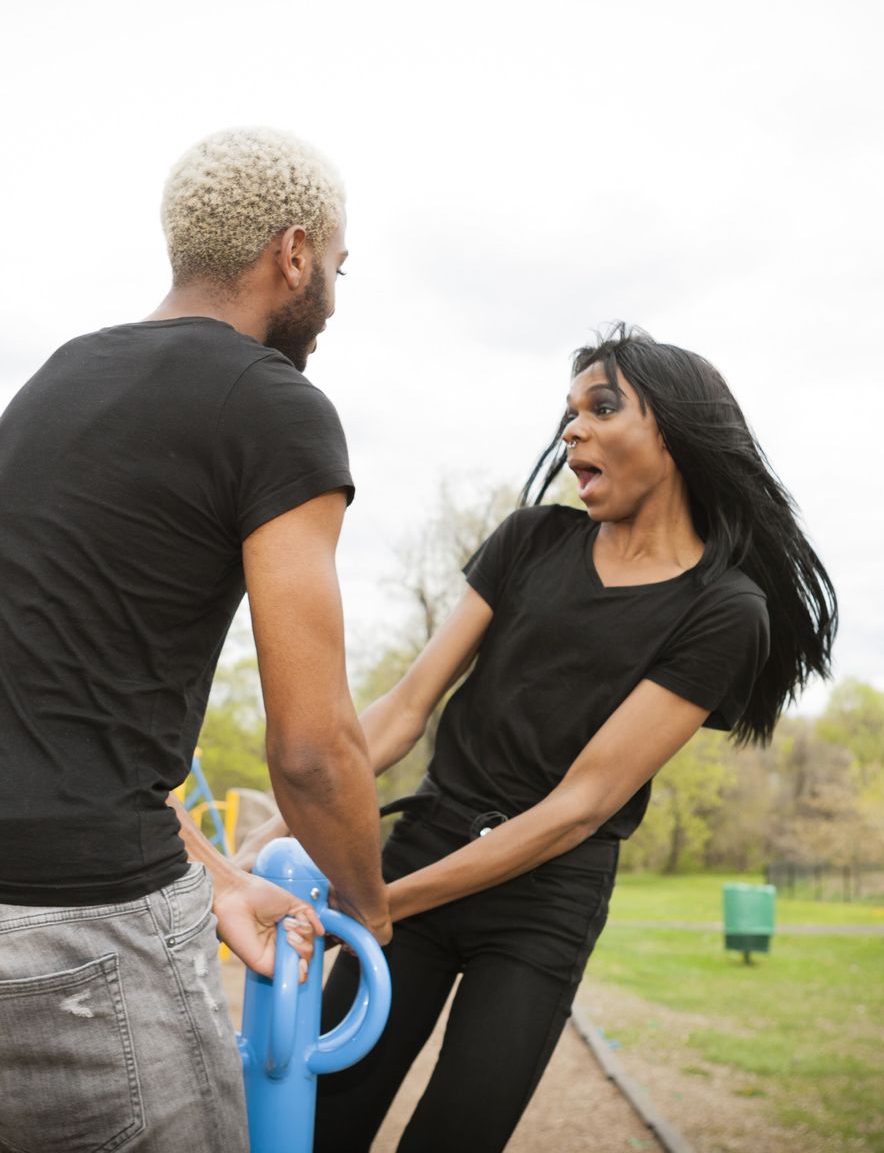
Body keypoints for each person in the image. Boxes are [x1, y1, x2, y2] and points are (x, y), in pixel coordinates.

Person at [0, 127, 390, 1153]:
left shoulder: (56, 381)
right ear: (293, 252)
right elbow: (315, 748)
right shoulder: (277, 409)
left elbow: (46, 725)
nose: (331, 289)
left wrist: (221, 877)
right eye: (337, 264)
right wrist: (372, 904)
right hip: (55, 926)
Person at [262, 323, 838, 1152]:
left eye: (603, 407)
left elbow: (578, 807)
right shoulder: (531, 540)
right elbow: (402, 710)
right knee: (326, 1124)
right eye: (568, 412)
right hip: (424, 846)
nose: (572, 429)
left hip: (545, 901)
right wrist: (287, 826)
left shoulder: (724, 609)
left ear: (672, 432)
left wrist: (381, 903)